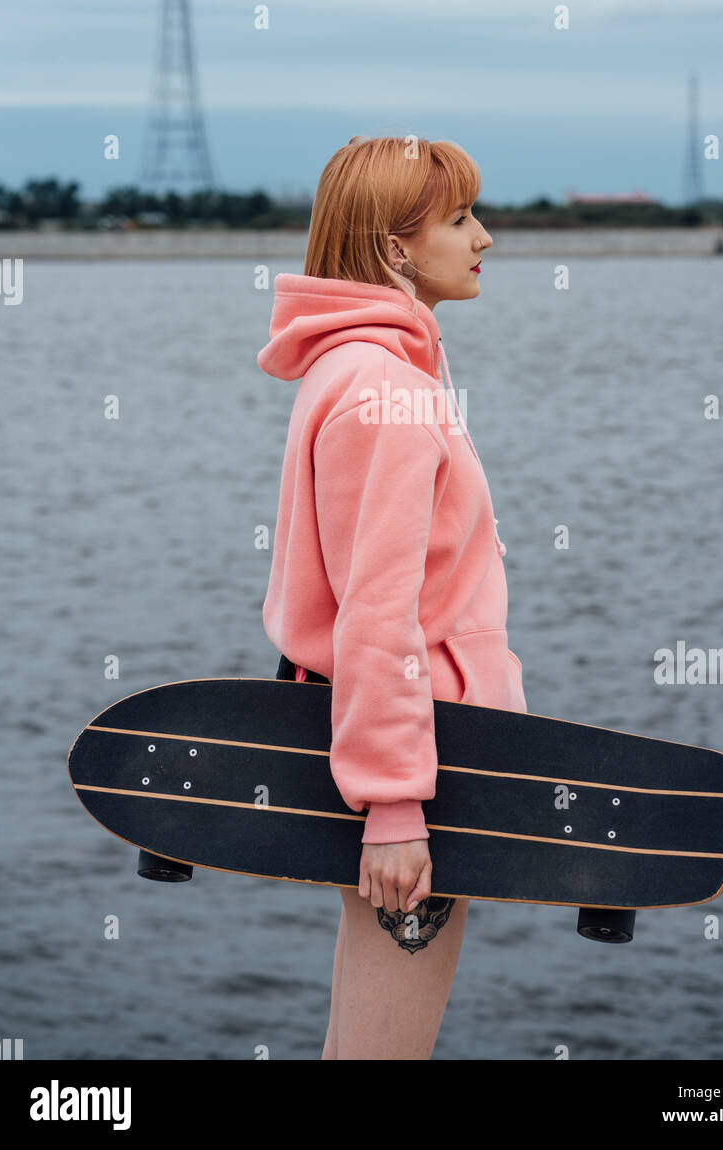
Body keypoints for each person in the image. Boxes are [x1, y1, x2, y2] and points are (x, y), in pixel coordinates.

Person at [257, 135, 527, 1059]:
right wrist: (397, 808)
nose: (484, 236)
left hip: (394, 754)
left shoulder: (360, 370)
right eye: (457, 219)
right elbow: (376, 611)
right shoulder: (386, 389)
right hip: (418, 767)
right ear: (392, 249)